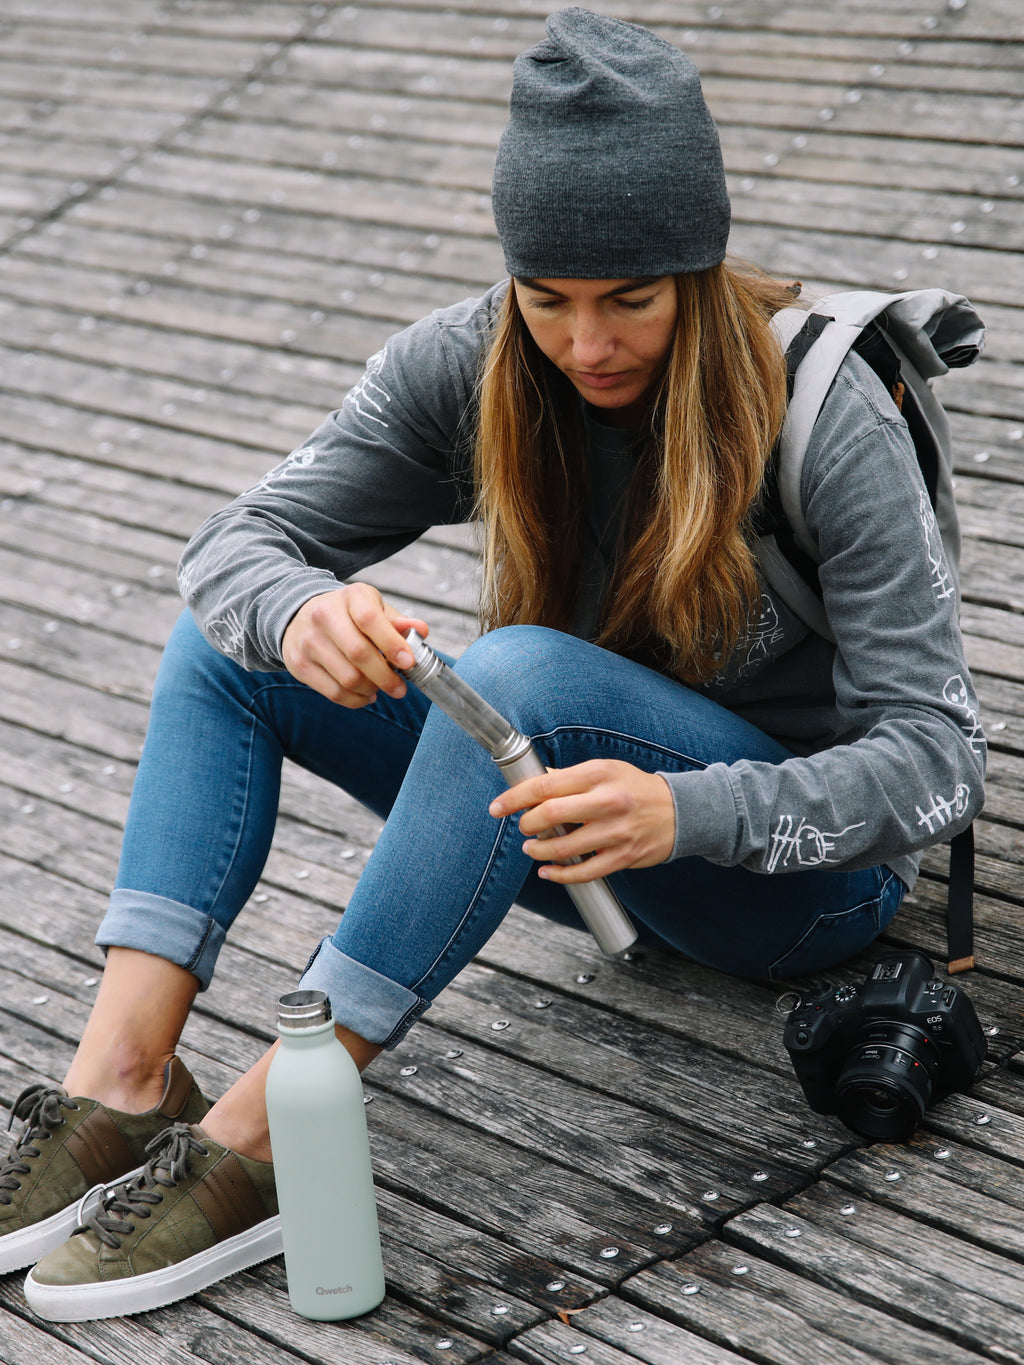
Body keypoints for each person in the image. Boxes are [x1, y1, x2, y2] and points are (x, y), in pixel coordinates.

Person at [3, 7, 984, 1323]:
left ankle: (272, 1131)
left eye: (631, 298)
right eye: (551, 299)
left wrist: (689, 809)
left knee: (519, 668)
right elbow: (230, 547)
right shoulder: (472, 361)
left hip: (797, 884)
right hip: (573, 833)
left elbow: (940, 759)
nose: (588, 344)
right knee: (227, 645)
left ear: (696, 271)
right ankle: (121, 1082)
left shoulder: (828, 408)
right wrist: (296, 612)